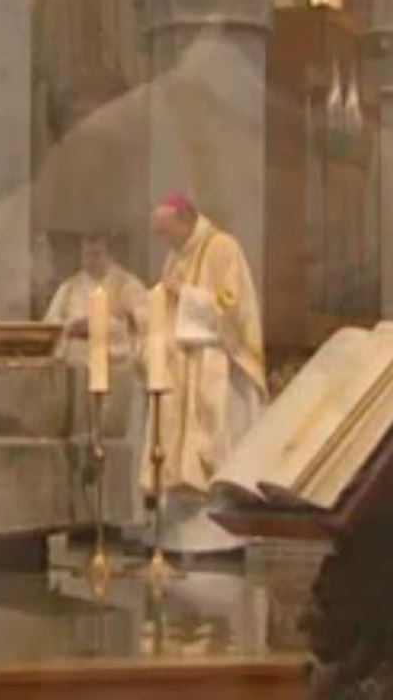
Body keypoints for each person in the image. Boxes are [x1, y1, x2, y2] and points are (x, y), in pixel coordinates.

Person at [143, 192, 267, 557]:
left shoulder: (223, 247)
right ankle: (181, 539)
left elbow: (234, 308)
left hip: (217, 370)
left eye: (168, 232)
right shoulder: (177, 255)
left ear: (185, 218)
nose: (166, 241)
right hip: (182, 368)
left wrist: (185, 296)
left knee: (214, 451)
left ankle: (221, 539)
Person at [43, 234, 147, 365]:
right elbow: (50, 325)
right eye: (86, 255)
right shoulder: (68, 288)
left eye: (96, 254)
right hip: (77, 362)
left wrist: (107, 324)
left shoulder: (129, 286)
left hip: (117, 361)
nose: (90, 260)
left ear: (110, 256)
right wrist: (71, 326)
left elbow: (144, 325)